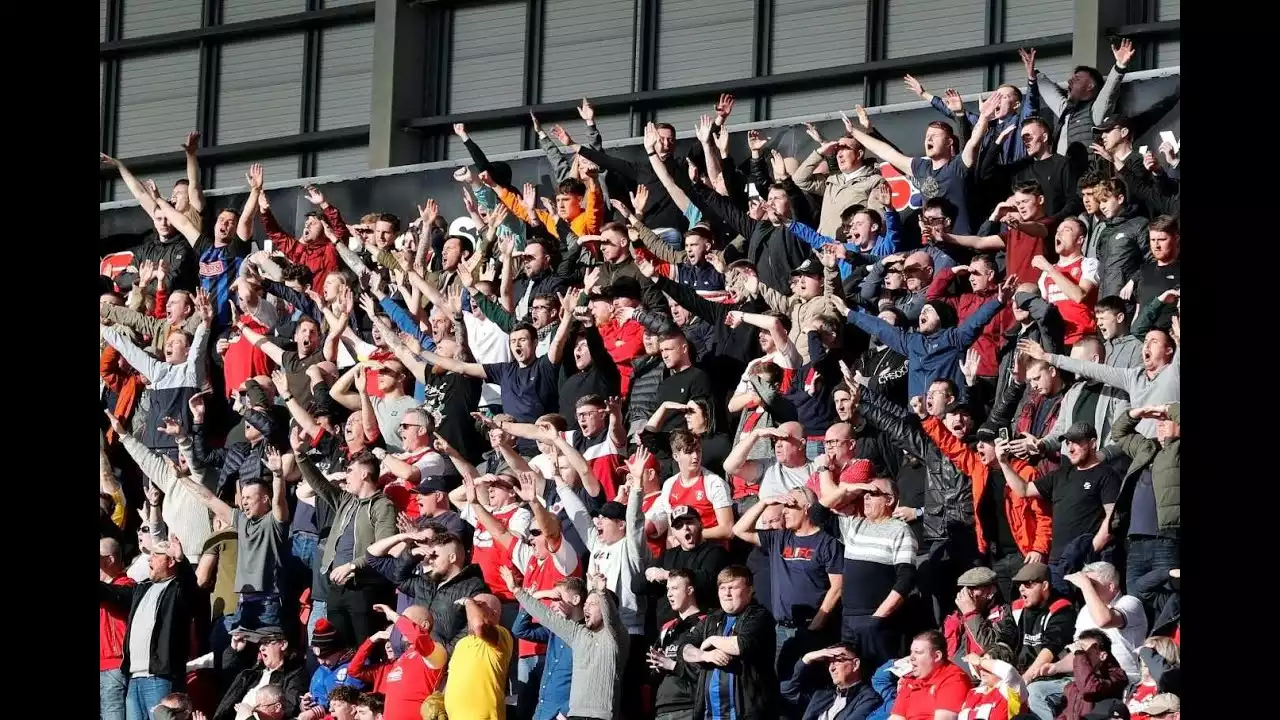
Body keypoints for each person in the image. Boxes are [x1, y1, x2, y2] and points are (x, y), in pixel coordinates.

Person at [810, 476, 916, 671]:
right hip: (849, 619)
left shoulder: (900, 530)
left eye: (873, 494)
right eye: (864, 494)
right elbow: (816, 513)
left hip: (878, 621)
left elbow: (906, 579)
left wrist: (877, 618)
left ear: (889, 500)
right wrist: (846, 490)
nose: (866, 498)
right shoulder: (855, 525)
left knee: (880, 677)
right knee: (851, 675)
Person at [501, 565, 627, 720]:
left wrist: (601, 593)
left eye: (592, 604)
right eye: (586, 604)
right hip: (558, 714)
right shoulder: (577, 633)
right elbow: (544, 617)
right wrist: (517, 591)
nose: (586, 608)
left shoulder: (615, 637)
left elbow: (612, 620)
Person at [99, 536, 200, 720]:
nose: (148, 559)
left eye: (155, 555)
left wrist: (181, 560)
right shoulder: (141, 588)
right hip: (135, 678)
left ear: (170, 561)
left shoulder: (178, 589)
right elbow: (113, 593)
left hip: (160, 677)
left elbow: (191, 585)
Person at [680, 566, 778, 719]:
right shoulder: (712, 619)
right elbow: (684, 647)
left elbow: (742, 645)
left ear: (750, 590)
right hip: (710, 713)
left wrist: (712, 640)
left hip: (746, 712)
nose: (727, 593)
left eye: (733, 587)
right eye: (722, 588)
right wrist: (705, 655)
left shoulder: (759, 615)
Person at [1109, 404, 1180, 603]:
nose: (1161, 425)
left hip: (1166, 540)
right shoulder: (1146, 447)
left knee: (1166, 600)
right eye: (1158, 421)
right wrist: (1137, 413)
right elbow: (1119, 433)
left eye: (1167, 420)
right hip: (1135, 542)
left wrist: (1167, 407)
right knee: (1134, 601)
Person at [346, 604, 447, 720]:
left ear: (424, 625)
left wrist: (393, 615)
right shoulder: (403, 657)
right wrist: (371, 640)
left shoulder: (436, 651)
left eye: (405, 620)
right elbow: (353, 670)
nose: (400, 626)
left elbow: (418, 637)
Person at [648, 569, 707, 720]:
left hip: (689, 705)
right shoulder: (667, 627)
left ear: (690, 590)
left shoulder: (707, 622)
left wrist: (672, 665)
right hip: (662, 706)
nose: (669, 594)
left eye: (674, 588)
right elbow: (653, 672)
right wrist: (656, 666)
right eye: (668, 589)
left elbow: (706, 670)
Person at [213, 626, 308, 720]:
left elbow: (291, 704)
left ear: (282, 645)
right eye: (260, 644)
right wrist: (234, 651)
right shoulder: (252, 673)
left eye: (266, 642)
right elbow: (227, 676)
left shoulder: (294, 674)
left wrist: (251, 713)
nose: (261, 648)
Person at [443, 594, 513, 720]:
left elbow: (479, 625)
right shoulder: (461, 643)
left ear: (493, 613)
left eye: (478, 605)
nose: (469, 609)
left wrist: (469, 601)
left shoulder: (502, 634)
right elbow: (452, 678)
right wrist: (439, 699)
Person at [781, 643, 883, 720]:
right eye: (829, 663)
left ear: (855, 664)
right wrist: (807, 658)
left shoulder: (869, 698)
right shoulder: (822, 694)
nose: (831, 668)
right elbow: (787, 691)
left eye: (837, 661)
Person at [888, 630, 973, 720]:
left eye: (918, 652)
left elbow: (945, 718)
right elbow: (896, 717)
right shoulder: (911, 679)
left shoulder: (954, 679)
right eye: (911, 652)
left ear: (937, 656)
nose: (911, 658)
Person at [956, 643, 1028, 720]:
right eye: (981, 665)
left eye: (986, 664)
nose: (982, 668)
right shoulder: (973, 692)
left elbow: (1008, 671)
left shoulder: (1012, 689)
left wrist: (980, 661)